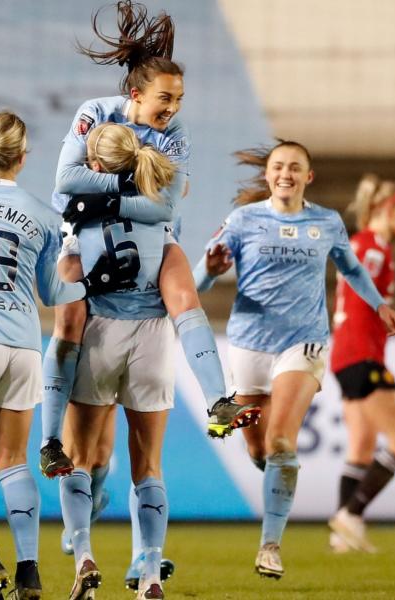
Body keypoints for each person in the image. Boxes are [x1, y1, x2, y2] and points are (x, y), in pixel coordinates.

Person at [38, 0, 259, 484]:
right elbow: (64, 177)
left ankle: (219, 401)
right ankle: (50, 442)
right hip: (85, 238)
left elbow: (166, 208)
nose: (174, 108)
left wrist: (103, 200)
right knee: (69, 317)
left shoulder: (174, 133)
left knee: (184, 295)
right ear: (136, 94)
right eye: (166, 98)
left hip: (148, 237)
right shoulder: (94, 113)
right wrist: (130, 190)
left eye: (179, 98)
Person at [0, 111, 134, 600]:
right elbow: (51, 293)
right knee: (13, 464)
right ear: (23, 158)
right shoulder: (44, 214)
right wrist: (91, 281)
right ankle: (29, 570)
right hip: (22, 348)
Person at [193, 141, 395, 579]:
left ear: (308, 177)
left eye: (295, 167)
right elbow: (197, 280)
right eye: (278, 166)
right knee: (259, 449)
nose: (285, 173)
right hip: (249, 345)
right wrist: (211, 271)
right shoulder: (243, 220)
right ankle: (252, 442)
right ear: (268, 175)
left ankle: (269, 547)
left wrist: (380, 304)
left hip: (303, 343)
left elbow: (352, 269)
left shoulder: (325, 222)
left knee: (281, 443)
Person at [58, 122, 181, 600]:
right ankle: (149, 573)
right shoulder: (161, 207)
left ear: (93, 166)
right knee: (148, 466)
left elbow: (66, 288)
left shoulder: (78, 212)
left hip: (100, 333)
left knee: (79, 458)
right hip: (153, 336)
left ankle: (84, 557)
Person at [327, 175, 395, 554]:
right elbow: (356, 285)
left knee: (360, 447)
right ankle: (351, 514)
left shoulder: (368, 245)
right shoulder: (372, 247)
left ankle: (342, 536)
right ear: (388, 209)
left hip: (347, 355)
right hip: (361, 355)